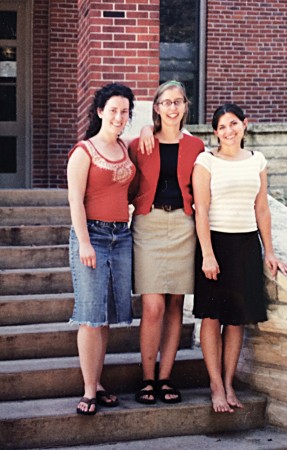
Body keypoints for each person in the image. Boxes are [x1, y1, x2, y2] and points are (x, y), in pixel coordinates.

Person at [192, 103, 287, 414]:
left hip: (247, 245)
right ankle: (215, 385)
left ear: (245, 125)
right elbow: (202, 210)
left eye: (233, 124)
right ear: (215, 132)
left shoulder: (257, 161)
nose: (229, 131)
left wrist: (269, 251)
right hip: (215, 245)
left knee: (236, 321)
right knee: (212, 316)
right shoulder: (206, 161)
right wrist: (207, 253)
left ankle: (230, 381)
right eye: (222, 127)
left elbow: (262, 208)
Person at [129, 80, 205, 404]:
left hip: (184, 227)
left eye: (178, 102)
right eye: (166, 102)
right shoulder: (140, 144)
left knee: (175, 305)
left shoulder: (197, 147)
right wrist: (147, 129)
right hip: (149, 225)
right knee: (153, 305)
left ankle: (165, 378)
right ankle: (147, 378)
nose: (172, 107)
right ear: (157, 107)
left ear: (186, 107)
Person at [67, 83, 136, 415]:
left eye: (124, 111)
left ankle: (99, 382)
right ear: (99, 112)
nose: (119, 117)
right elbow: (75, 201)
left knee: (106, 317)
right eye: (113, 110)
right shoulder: (84, 151)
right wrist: (83, 242)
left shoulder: (126, 148)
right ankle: (89, 389)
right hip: (92, 236)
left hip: (121, 238)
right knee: (91, 316)